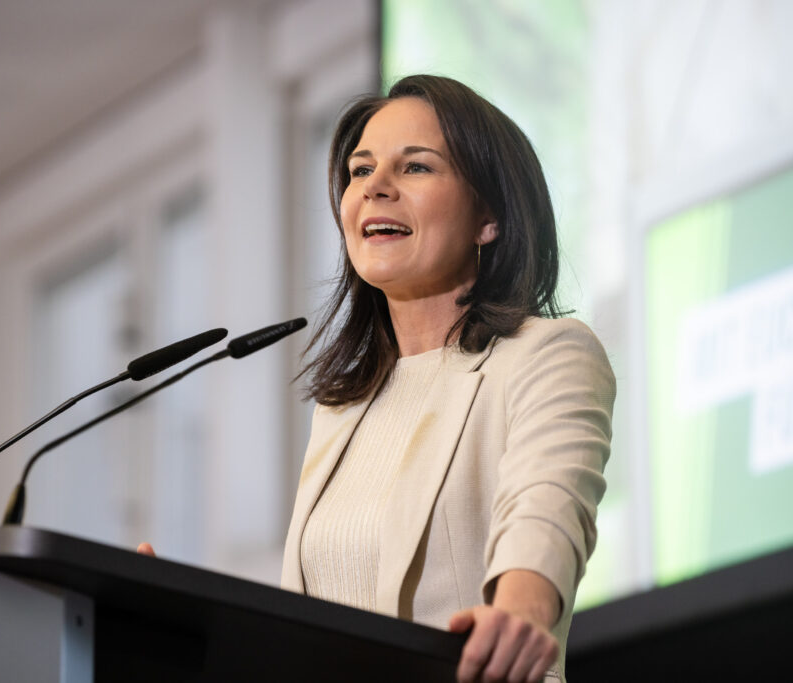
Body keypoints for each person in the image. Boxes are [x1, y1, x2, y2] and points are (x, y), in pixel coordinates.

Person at [142, 74, 614, 683]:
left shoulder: (545, 355)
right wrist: (175, 620)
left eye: (415, 168)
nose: (376, 189)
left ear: (488, 217)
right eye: (360, 171)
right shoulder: (345, 406)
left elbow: (549, 511)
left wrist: (521, 608)